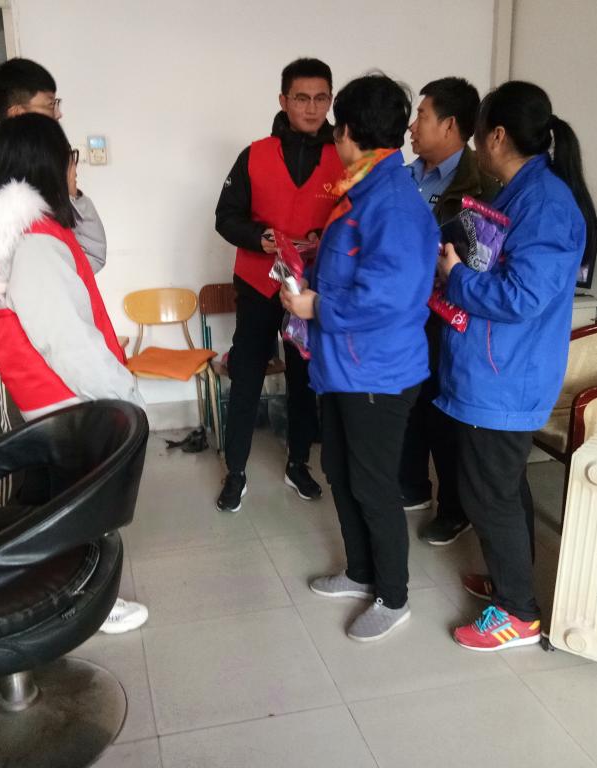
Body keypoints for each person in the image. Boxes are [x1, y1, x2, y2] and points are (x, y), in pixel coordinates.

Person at [0, 114, 148, 635]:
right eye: (70, 159)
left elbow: (91, 256)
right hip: (67, 396)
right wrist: (126, 397)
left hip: (45, 395)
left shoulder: (19, 232)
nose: (75, 169)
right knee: (77, 508)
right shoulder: (35, 244)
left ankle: (63, 592)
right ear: (48, 164)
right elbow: (66, 340)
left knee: (55, 501)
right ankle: (81, 599)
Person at [433, 81, 595, 652]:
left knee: (488, 495)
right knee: (502, 487)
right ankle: (512, 582)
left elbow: (521, 296)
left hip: (504, 377)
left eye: (477, 135)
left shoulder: (545, 205)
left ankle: (517, 614)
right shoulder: (516, 194)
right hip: (491, 368)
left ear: (497, 136)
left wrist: (456, 276)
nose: (475, 146)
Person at [282, 74, 438, 642]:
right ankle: (360, 571)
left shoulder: (392, 202)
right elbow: (356, 267)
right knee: (341, 473)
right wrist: (309, 264)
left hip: (377, 371)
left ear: (346, 131)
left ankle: (393, 598)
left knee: (373, 486)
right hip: (346, 365)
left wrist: (316, 304)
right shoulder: (365, 189)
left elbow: (387, 296)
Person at [213, 57, 345, 513]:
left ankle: (298, 463)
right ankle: (235, 471)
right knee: (247, 373)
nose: (312, 108)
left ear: (330, 100)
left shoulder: (343, 158)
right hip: (257, 282)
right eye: (302, 98)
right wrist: (259, 237)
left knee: (303, 378)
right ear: (284, 100)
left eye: (321, 98)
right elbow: (225, 217)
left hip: (310, 287)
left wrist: (324, 238)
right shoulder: (254, 154)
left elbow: (354, 219)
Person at [400, 77, 500, 548]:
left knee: (444, 409)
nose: (412, 126)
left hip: (450, 314)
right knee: (410, 399)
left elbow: (488, 256)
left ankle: (455, 509)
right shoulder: (406, 177)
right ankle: (413, 485)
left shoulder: (482, 186)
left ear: (450, 125)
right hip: (405, 311)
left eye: (422, 116)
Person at [0, 58, 107, 356]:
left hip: (49, 305)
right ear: (18, 113)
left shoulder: (37, 167)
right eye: (50, 104)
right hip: (13, 315)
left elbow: (85, 252)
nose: (58, 113)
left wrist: (72, 193)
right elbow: (7, 269)